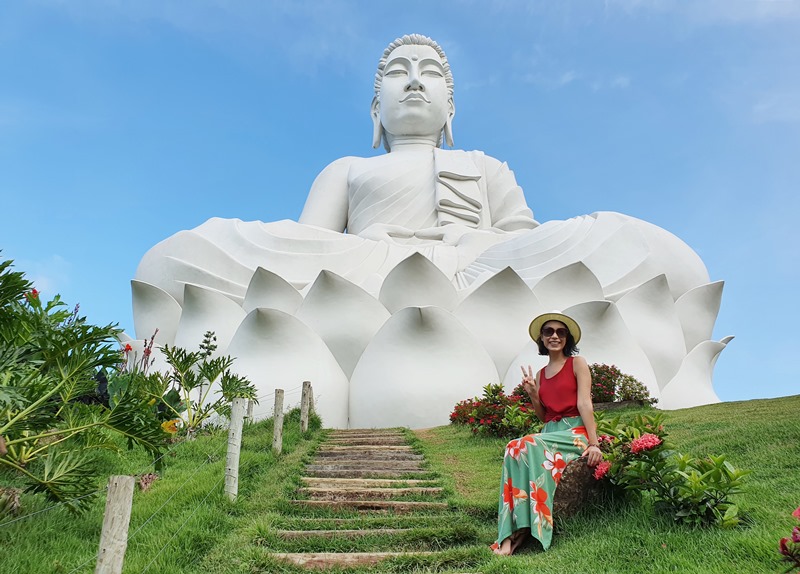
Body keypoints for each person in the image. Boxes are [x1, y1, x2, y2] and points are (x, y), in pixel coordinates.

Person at [491, 311, 602, 555]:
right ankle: (511, 533)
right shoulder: (540, 375)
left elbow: (585, 404)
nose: (554, 336)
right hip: (550, 432)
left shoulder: (577, 363)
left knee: (526, 443)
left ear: (567, 338)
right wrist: (532, 393)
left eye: (560, 332)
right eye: (548, 332)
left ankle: (528, 529)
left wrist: (594, 444)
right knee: (513, 446)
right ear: (541, 339)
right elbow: (544, 416)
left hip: (575, 433)